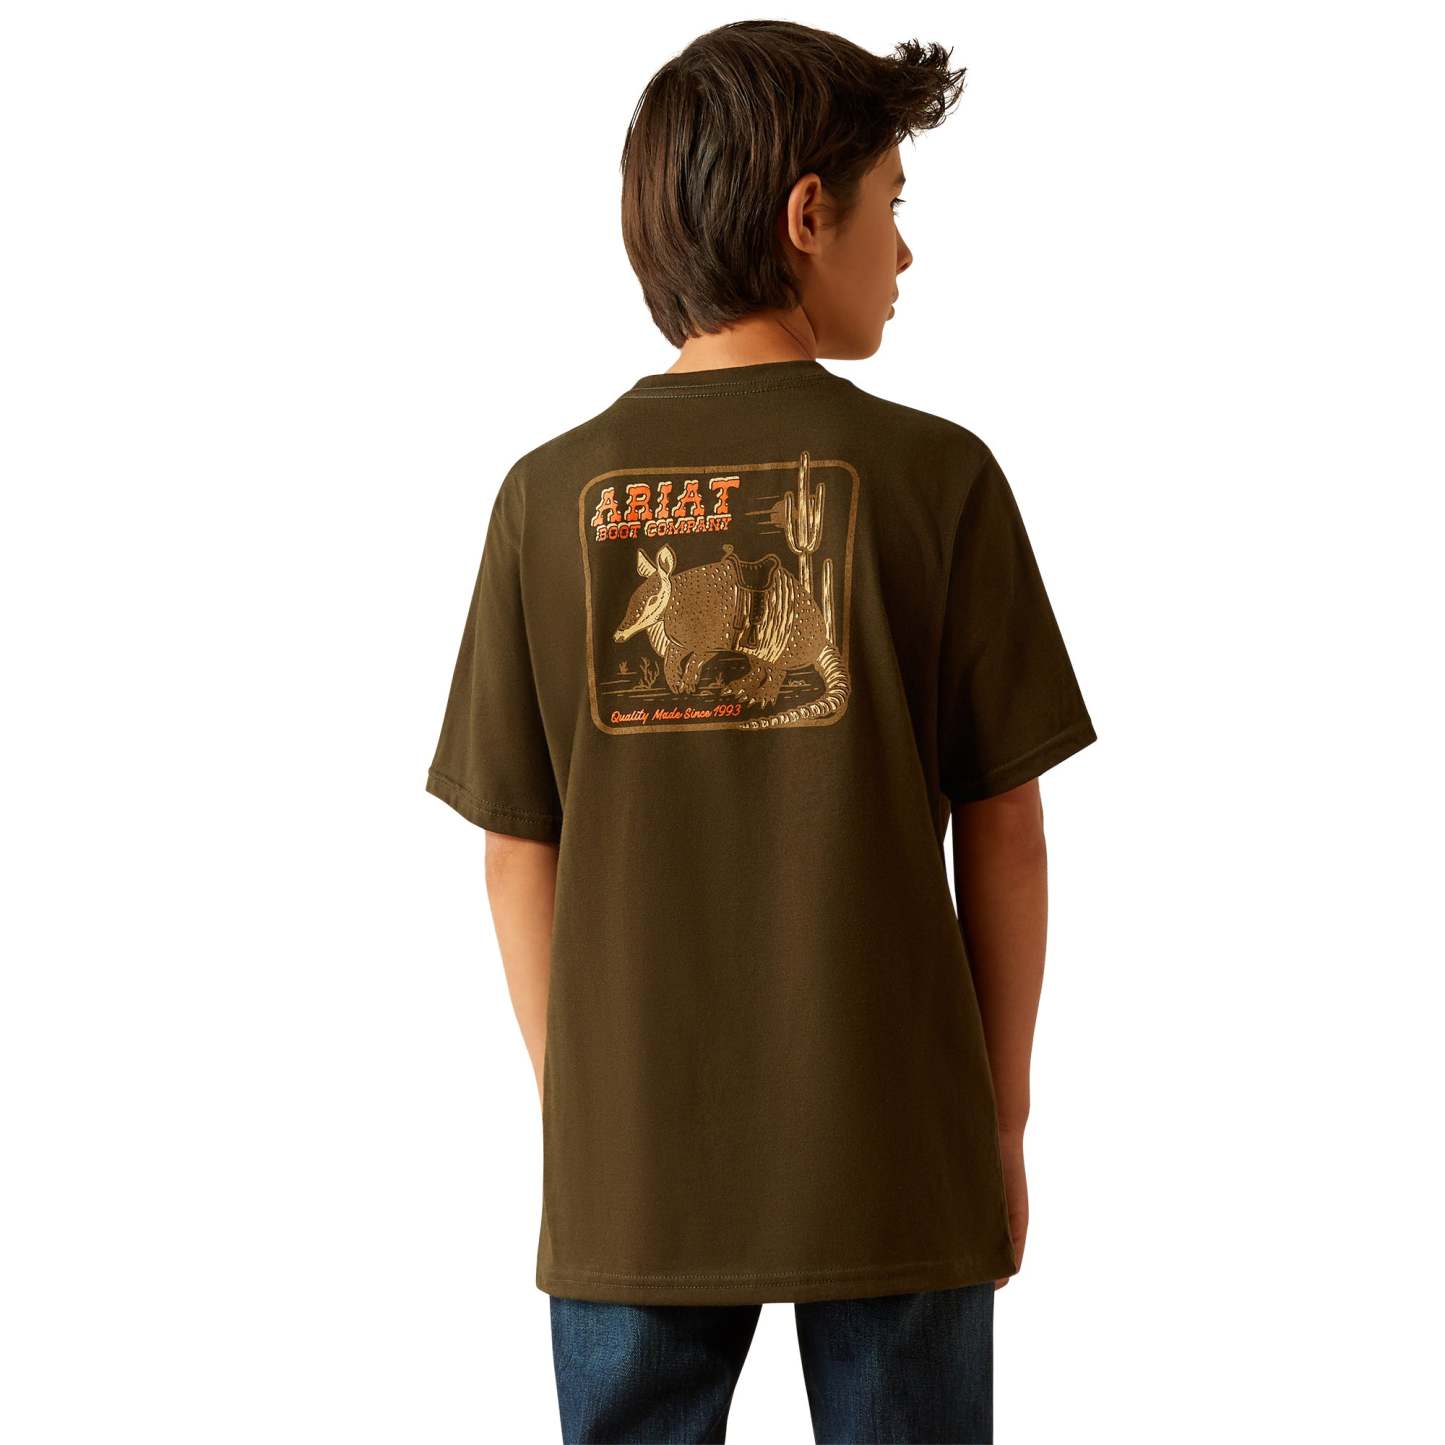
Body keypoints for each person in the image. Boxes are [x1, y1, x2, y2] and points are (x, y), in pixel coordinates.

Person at [426, 20, 1095, 1444]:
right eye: (892, 203)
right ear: (807, 216)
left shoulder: (545, 496)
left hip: (632, 1160)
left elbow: (513, 848)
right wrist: (999, 1124)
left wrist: (587, 1116)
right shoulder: (935, 477)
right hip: (897, 1141)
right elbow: (1008, 831)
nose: (905, 252)